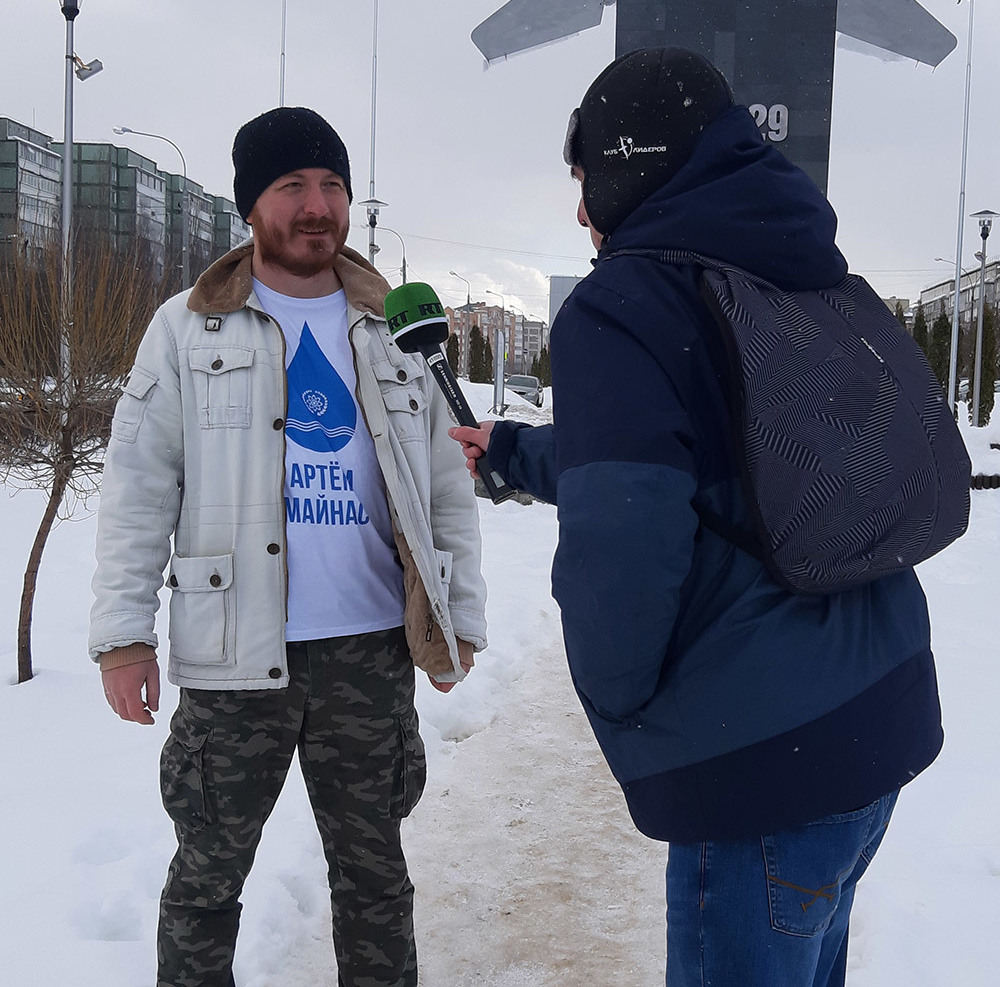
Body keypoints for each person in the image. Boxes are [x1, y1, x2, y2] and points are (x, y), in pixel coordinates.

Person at [450, 49, 943, 987]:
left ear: (630, 163)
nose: (582, 211)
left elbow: (624, 540)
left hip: (767, 764)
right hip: (878, 718)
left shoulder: (624, 304)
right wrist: (515, 451)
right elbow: (717, 461)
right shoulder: (801, 275)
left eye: (587, 179)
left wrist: (624, 703)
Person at [90, 106, 487, 987]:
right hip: (234, 659)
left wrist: (457, 623)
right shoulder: (187, 327)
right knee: (204, 881)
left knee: (376, 880)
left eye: (332, 185)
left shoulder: (397, 328)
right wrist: (122, 637)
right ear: (250, 206)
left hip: (370, 651)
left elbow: (445, 490)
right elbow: (137, 493)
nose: (317, 206)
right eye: (292, 186)